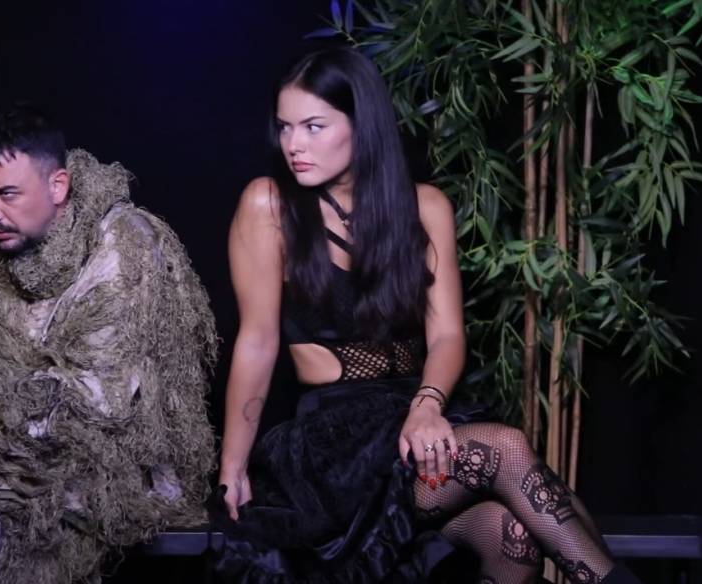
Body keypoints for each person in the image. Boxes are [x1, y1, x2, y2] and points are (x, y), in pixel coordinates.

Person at [209, 47, 641, 584]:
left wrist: (427, 405)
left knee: (512, 533)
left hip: (415, 417)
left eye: (313, 126)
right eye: (285, 127)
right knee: (506, 447)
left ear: (363, 125)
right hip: (335, 446)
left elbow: (448, 337)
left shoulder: (425, 207)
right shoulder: (269, 205)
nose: (293, 144)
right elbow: (257, 342)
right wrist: (232, 466)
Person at [0, 104, 218, 583]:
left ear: (58, 186)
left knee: (1, 510)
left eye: (7, 194)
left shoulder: (122, 242)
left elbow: (99, 393)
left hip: (111, 452)